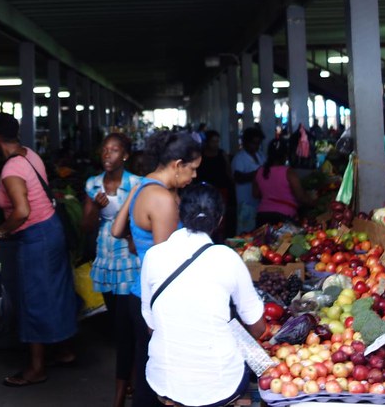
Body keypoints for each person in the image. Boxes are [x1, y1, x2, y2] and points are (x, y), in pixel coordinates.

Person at [139, 183, 266, 407]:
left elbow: (151, 326)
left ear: (180, 214)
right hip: (220, 384)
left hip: (166, 380)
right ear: (220, 220)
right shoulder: (227, 258)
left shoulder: (153, 256)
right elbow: (258, 327)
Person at [0, 112, 78, 388]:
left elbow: (22, 211)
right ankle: (65, 350)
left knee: (34, 299)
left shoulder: (11, 169)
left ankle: (36, 368)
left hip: (37, 236)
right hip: (52, 229)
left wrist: (0, 230)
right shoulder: (29, 155)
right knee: (56, 293)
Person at [111, 130, 201, 407]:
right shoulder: (162, 198)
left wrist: (139, 241)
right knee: (158, 384)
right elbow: (166, 263)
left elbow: (116, 230)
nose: (195, 175)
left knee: (147, 372)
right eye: (192, 169)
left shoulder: (143, 185)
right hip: (157, 299)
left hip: (140, 292)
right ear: (177, 164)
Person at [82, 133, 141, 407]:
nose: (108, 154)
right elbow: (86, 226)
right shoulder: (92, 184)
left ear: (125, 155)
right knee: (118, 326)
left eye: (114, 150)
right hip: (106, 259)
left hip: (130, 258)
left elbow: (143, 222)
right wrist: (95, 206)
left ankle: (121, 391)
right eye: (105, 149)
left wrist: (129, 233)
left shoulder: (136, 184)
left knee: (126, 325)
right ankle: (130, 379)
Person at [253, 141, 313, 225]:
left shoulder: (259, 171)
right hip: (283, 218)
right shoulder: (289, 172)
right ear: (285, 155)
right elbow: (300, 197)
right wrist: (313, 202)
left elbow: (255, 194)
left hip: (262, 216)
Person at [196, 130, 234, 236]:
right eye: (213, 141)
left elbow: (228, 171)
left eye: (217, 141)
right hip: (205, 191)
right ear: (207, 142)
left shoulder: (222, 154)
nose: (216, 144)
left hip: (221, 189)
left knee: (221, 215)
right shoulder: (201, 155)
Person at [231, 126, 266, 233]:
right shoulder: (240, 158)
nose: (256, 146)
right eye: (254, 143)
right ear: (246, 142)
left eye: (258, 143)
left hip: (259, 201)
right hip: (245, 202)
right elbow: (238, 177)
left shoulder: (260, 155)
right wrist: (258, 173)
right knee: (245, 233)